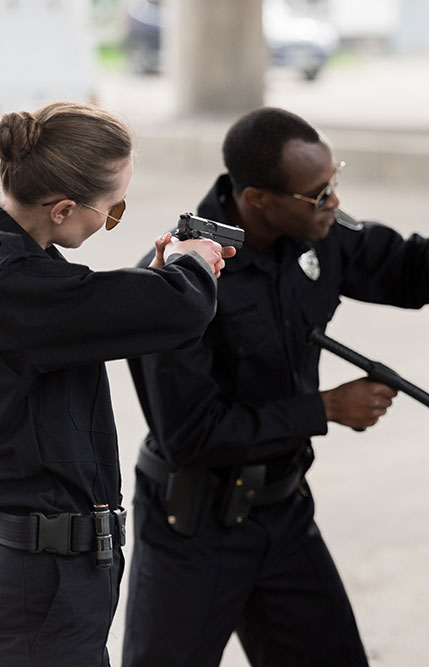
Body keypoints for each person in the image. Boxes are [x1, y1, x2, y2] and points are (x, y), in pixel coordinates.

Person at [122, 106, 429, 667]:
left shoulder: (316, 232)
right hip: (195, 529)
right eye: (317, 192)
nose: (333, 201)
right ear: (257, 198)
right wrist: (324, 408)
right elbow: (191, 435)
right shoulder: (179, 278)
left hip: (281, 511)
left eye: (334, 181)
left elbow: (400, 260)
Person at [0, 101, 231, 666]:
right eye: (113, 209)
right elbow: (180, 309)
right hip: (36, 585)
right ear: (61, 209)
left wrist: (156, 282)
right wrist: (193, 263)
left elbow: (80, 313)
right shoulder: (22, 286)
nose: (112, 219)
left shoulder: (28, 274)